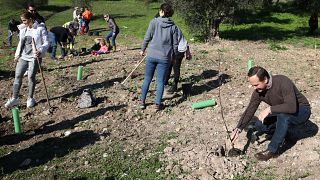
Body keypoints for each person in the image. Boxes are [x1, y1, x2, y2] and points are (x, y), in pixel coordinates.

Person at [231, 66, 311, 161]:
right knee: (260, 124)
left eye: (256, 85)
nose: (254, 88)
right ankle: (286, 134)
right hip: (282, 111)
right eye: (252, 85)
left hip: (301, 110)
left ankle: (272, 150)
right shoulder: (258, 91)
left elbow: (291, 107)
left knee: (283, 117)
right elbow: (250, 110)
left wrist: (270, 109)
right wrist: (238, 129)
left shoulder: (283, 82)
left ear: (265, 79)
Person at [4, 11, 49, 108]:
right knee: (18, 76)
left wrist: (40, 50)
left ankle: (30, 98)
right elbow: (21, 43)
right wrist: (17, 55)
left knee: (31, 77)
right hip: (23, 56)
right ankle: (15, 98)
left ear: (30, 19)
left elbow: (46, 43)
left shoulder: (40, 28)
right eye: (22, 20)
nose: (23, 22)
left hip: (34, 57)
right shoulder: (23, 29)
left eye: (24, 20)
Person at [139, 3, 178, 111]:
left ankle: (142, 102)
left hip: (151, 55)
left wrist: (142, 49)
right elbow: (175, 44)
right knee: (160, 81)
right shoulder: (173, 26)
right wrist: (174, 56)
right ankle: (157, 104)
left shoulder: (154, 22)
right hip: (164, 58)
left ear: (161, 11)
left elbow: (147, 37)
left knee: (147, 78)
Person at [164, 27, 192, 94]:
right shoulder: (169, 26)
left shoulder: (171, 28)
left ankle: (174, 85)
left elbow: (177, 41)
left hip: (179, 50)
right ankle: (165, 82)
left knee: (175, 67)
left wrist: (187, 51)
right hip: (173, 49)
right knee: (168, 66)